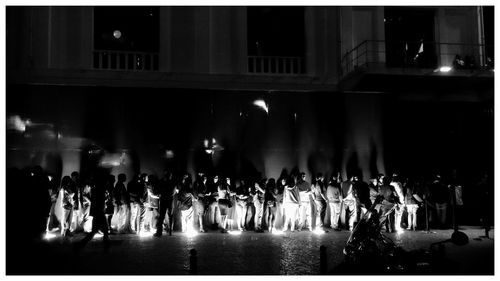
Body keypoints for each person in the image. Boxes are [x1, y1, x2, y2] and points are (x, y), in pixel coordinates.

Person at [75, 169, 110, 249]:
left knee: (96, 231)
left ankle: (80, 245)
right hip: (99, 212)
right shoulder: (97, 189)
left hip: (97, 212)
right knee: (103, 229)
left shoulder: (96, 189)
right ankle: (106, 245)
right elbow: (97, 201)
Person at [154, 170, 176, 237]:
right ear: (170, 176)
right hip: (170, 200)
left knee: (161, 216)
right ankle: (170, 232)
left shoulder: (161, 182)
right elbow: (173, 192)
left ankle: (159, 232)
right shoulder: (172, 182)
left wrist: (160, 194)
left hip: (163, 200)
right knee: (170, 216)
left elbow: (157, 190)